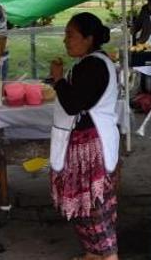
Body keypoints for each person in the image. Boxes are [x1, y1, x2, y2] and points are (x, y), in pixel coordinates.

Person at [49, 13, 120, 260]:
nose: (66, 41)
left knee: (95, 206)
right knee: (84, 205)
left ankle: (109, 256)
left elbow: (72, 104)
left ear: (89, 39)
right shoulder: (90, 63)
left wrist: (58, 79)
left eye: (71, 35)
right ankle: (92, 253)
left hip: (91, 147)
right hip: (84, 145)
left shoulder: (94, 65)